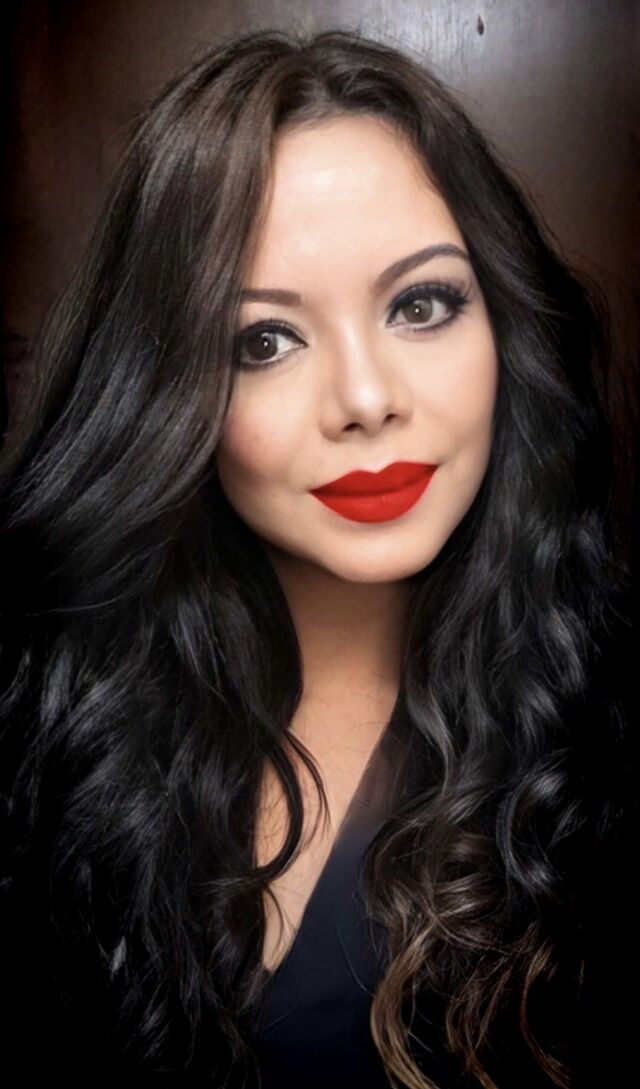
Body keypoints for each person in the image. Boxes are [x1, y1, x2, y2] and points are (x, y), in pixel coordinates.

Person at [0, 26, 635, 1089]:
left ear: (506, 327)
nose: (365, 399)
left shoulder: (605, 728)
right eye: (264, 341)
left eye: (421, 304)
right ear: (167, 393)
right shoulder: (54, 726)